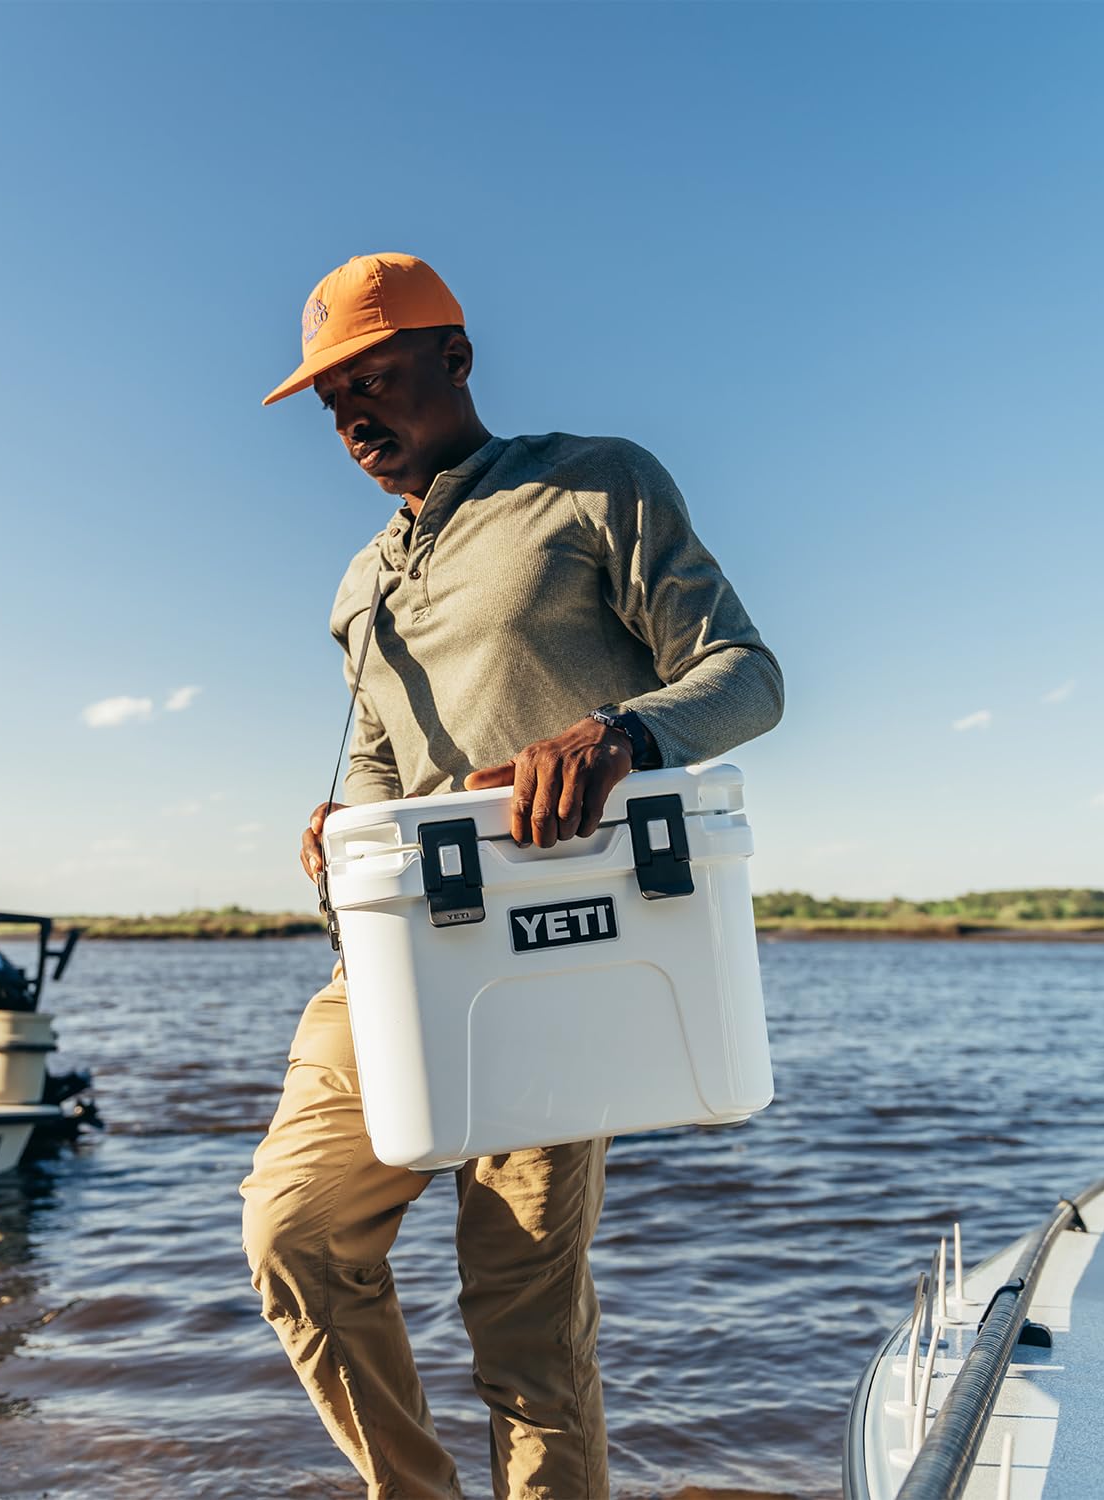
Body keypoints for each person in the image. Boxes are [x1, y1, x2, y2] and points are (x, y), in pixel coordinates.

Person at [240, 252, 783, 1500]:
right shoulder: (355, 587)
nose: (354, 419)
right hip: (388, 961)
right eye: (332, 404)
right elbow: (377, 759)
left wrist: (619, 735)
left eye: (372, 380)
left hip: (557, 952)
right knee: (296, 1238)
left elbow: (748, 675)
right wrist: (343, 838)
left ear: (456, 357)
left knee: (526, 1334)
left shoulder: (595, 483)